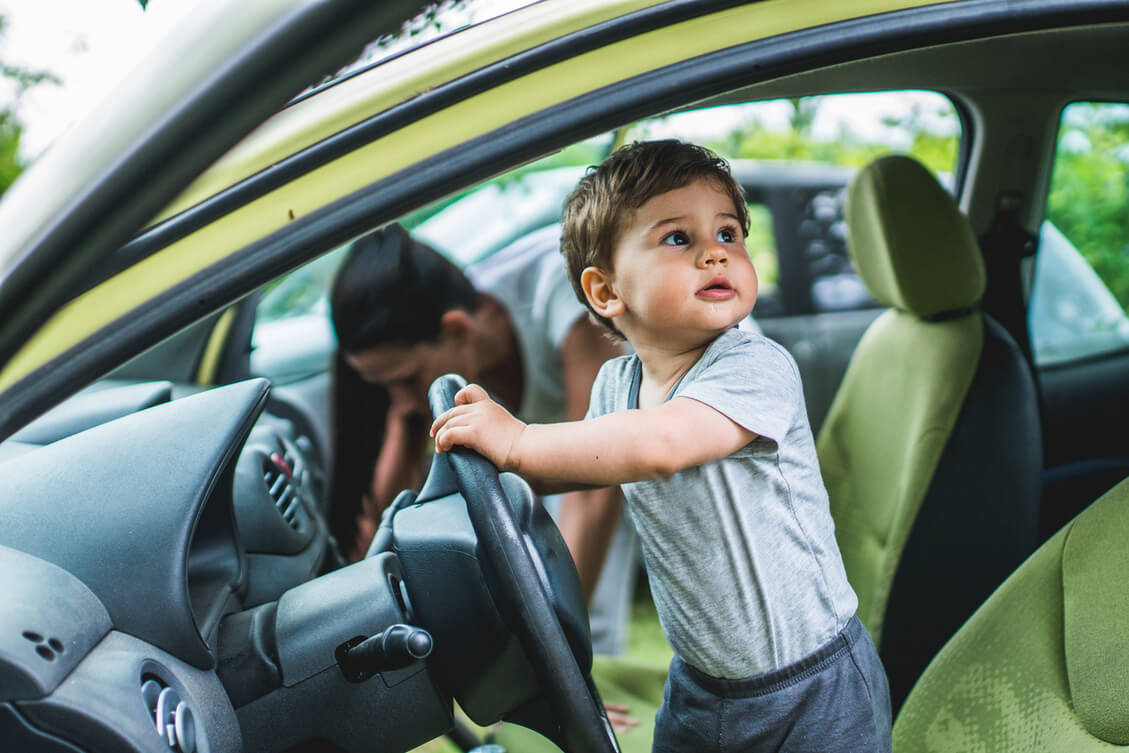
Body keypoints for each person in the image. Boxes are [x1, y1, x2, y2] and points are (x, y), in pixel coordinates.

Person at [430, 140, 892, 752]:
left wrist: (518, 441)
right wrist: (488, 467)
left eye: (729, 234)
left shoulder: (754, 366)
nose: (713, 254)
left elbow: (662, 446)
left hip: (814, 687)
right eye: (679, 238)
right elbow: (576, 469)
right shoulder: (616, 384)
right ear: (606, 291)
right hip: (701, 687)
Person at [328, 221, 639, 657]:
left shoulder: (563, 295)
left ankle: (598, 662)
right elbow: (393, 514)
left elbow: (597, 476)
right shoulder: (443, 341)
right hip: (598, 442)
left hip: (690, 418)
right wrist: (403, 420)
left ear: (457, 330)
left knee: (574, 535)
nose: (402, 400)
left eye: (406, 381)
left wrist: (563, 651)